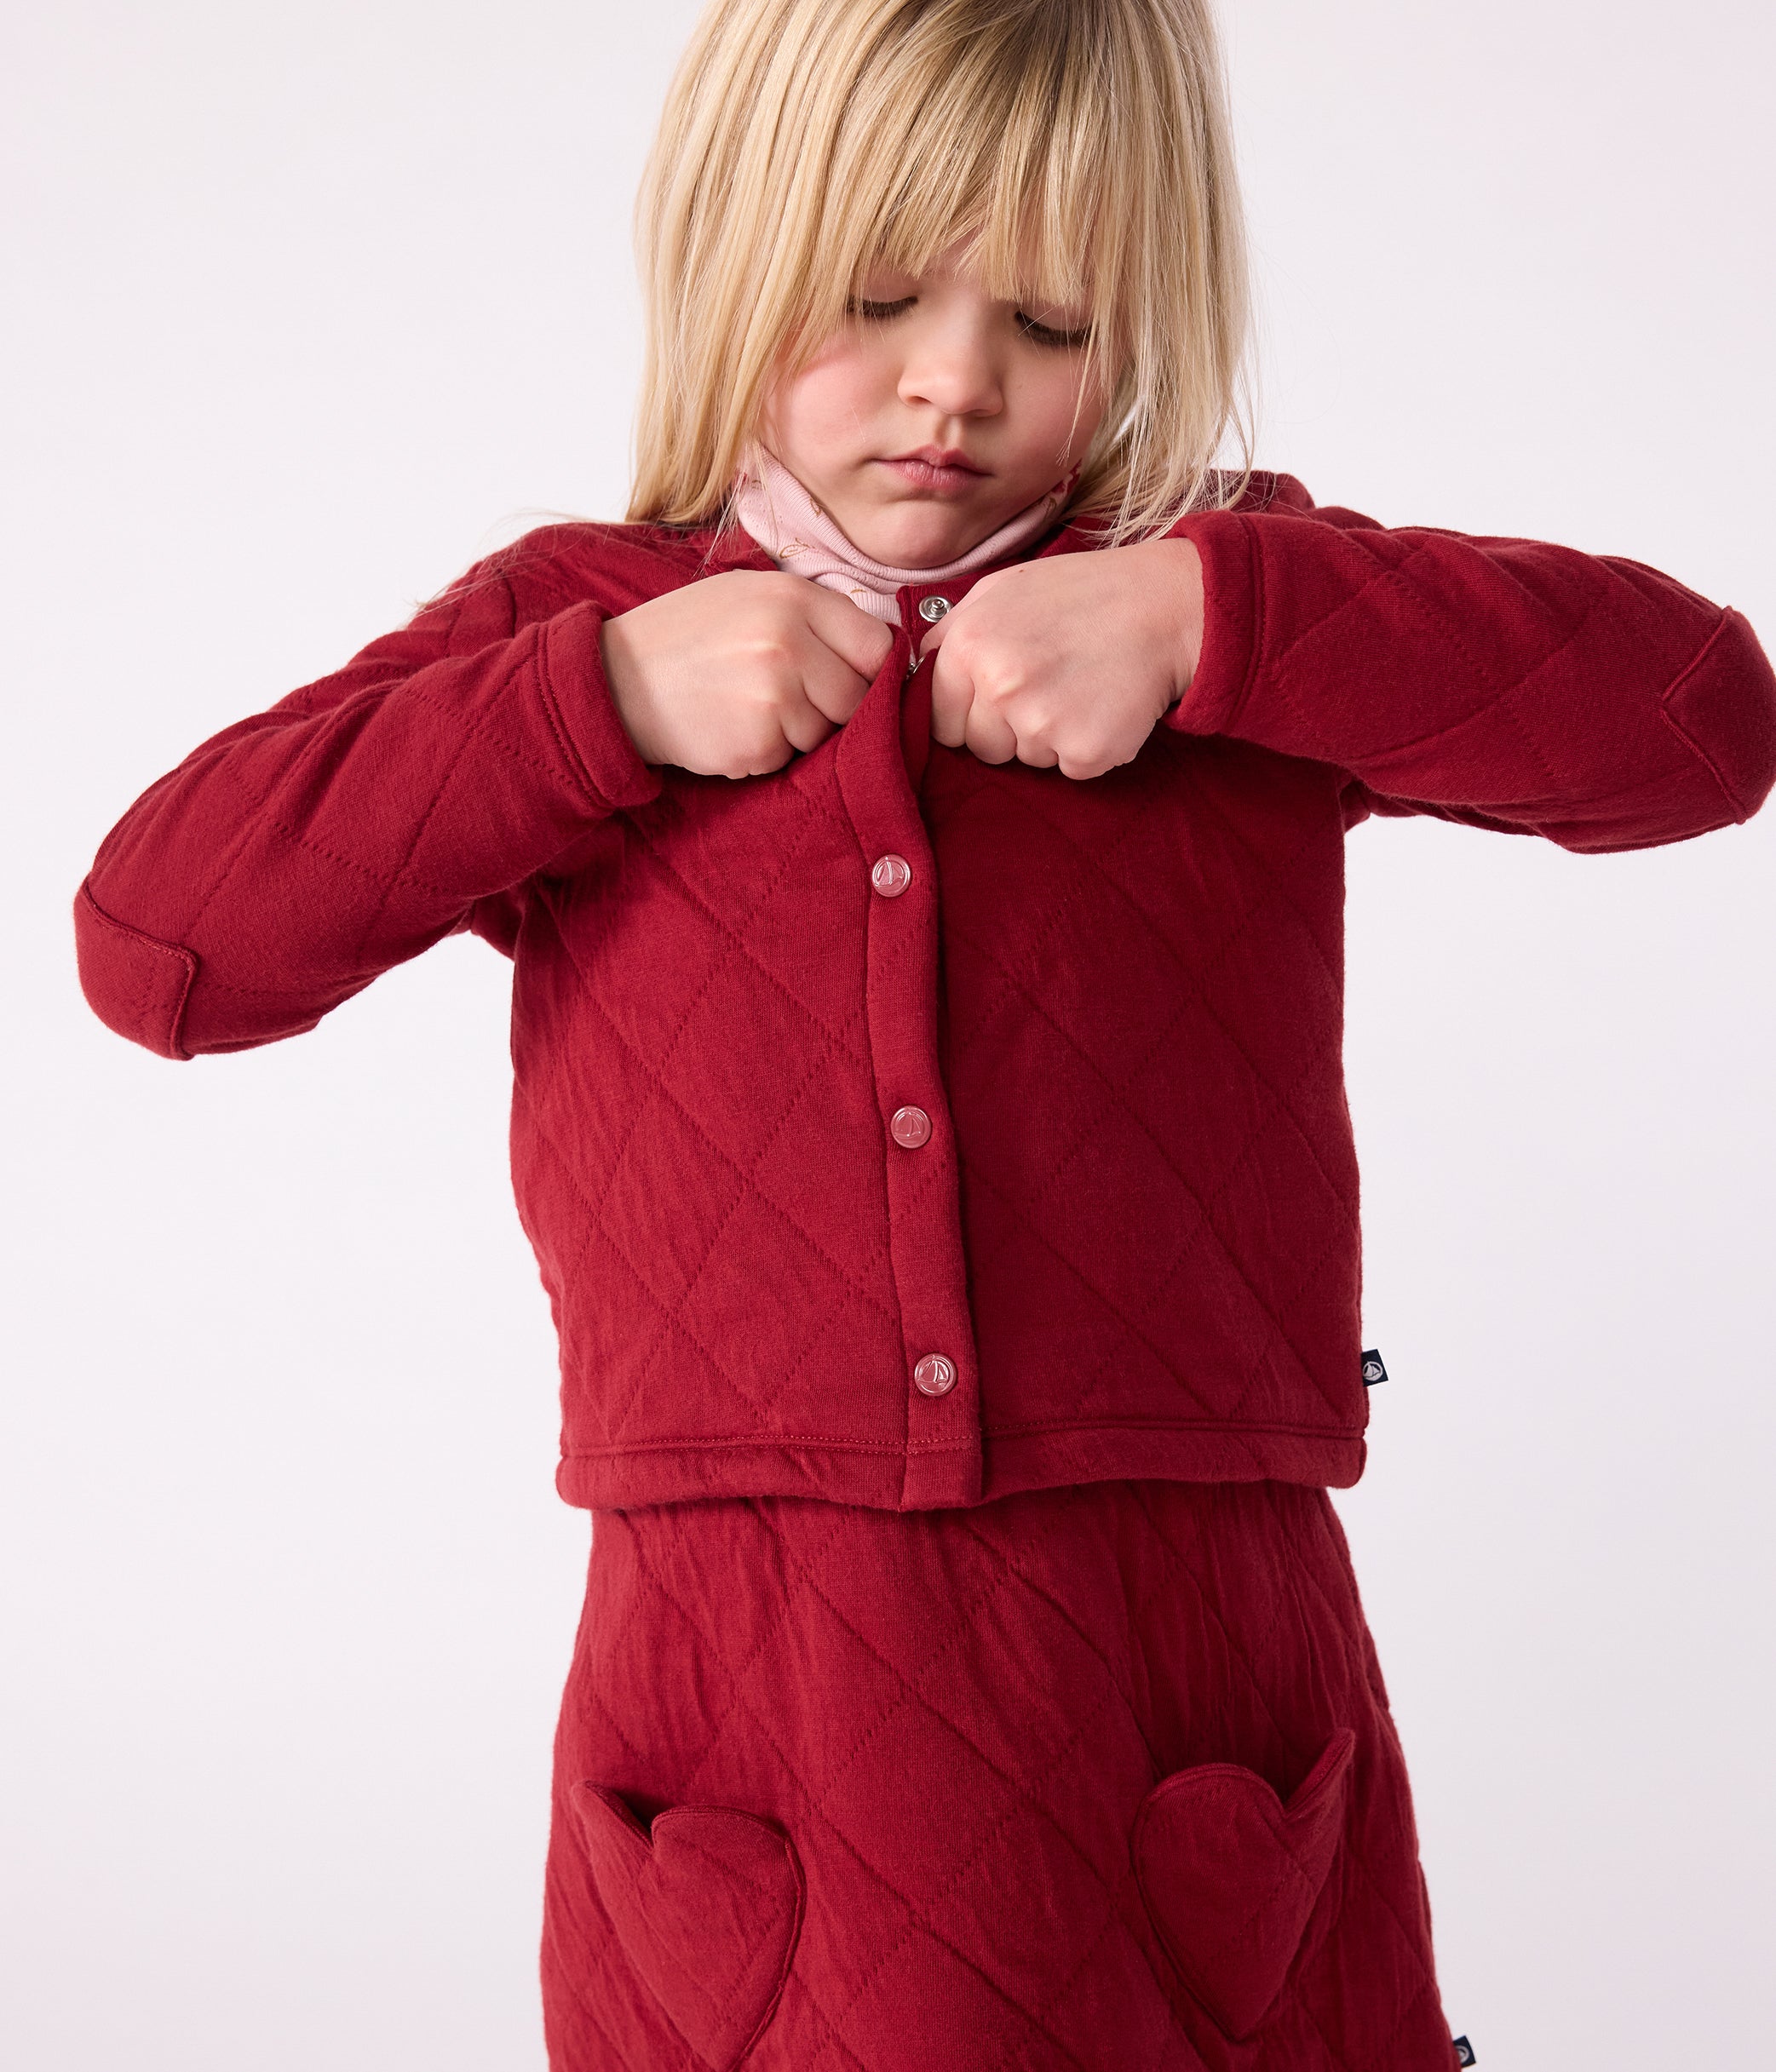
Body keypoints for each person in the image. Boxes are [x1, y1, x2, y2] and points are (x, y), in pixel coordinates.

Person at [72, 0, 1775, 2066]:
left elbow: (1701, 727)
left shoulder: (1224, 605)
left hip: (1185, 1692)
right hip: (746, 1722)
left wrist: (1213, 617)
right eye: (876, 298)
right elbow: (158, 945)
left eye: (1048, 323)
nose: (954, 381)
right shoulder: (579, 625)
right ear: (736, 247)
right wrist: (591, 704)